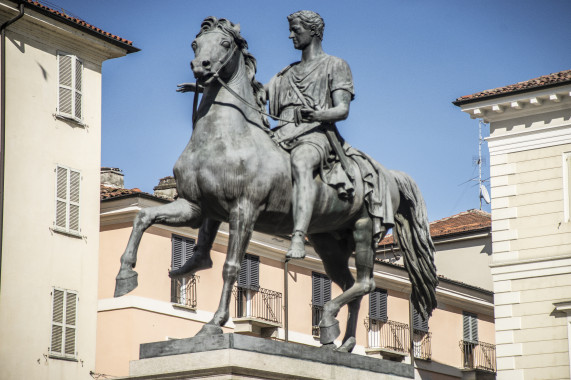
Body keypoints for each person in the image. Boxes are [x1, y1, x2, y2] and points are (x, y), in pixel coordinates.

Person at [266, 10, 355, 259]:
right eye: (291, 29)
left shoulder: (335, 65)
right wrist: (214, 85)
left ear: (313, 31)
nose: (291, 35)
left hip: (315, 134)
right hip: (282, 133)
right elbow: (257, 92)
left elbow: (342, 109)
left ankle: (297, 236)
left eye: (296, 30)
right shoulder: (287, 72)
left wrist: (314, 115)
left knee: (301, 161)